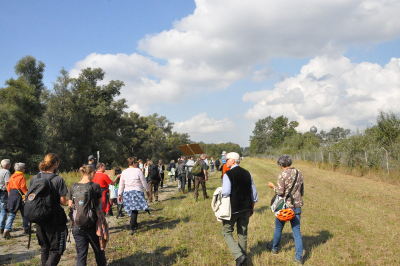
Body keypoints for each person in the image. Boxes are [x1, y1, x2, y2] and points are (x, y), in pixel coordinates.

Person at [221, 152, 258, 266]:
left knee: (226, 232)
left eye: (227, 159)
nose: (226, 161)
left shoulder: (228, 174)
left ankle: (238, 255)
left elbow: (226, 192)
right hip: (246, 208)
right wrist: (251, 207)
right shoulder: (248, 173)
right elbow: (254, 193)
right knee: (242, 233)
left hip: (233, 208)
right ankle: (243, 260)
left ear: (232, 161)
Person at [268, 155, 304, 265]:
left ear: (281, 164)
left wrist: (272, 186)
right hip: (297, 205)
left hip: (284, 207)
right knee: (296, 232)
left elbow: (280, 192)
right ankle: (298, 258)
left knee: (278, 228)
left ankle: (274, 249)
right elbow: (301, 189)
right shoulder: (299, 172)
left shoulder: (282, 174)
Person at [33, 153, 68, 266]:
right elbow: (63, 201)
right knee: (56, 249)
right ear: (56, 164)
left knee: (44, 247)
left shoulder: (35, 178)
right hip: (54, 219)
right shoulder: (58, 179)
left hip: (38, 218)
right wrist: (70, 202)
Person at [68, 165, 107, 266]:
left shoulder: (73, 186)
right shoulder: (95, 186)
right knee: (99, 251)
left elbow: (70, 205)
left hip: (77, 226)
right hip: (93, 225)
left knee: (81, 254)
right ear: (92, 173)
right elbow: (99, 205)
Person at [118, 157, 150, 234]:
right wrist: (147, 190)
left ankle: (134, 224)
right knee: (135, 209)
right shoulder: (138, 171)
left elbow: (121, 184)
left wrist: (119, 194)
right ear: (133, 163)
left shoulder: (124, 172)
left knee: (132, 209)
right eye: (136, 163)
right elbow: (144, 182)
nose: (137, 164)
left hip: (127, 192)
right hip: (137, 192)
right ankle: (132, 226)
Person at [3, 162, 29, 238]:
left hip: (12, 195)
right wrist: (27, 195)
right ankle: (26, 228)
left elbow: (8, 187)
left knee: (11, 213)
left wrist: (9, 195)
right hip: (20, 195)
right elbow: (23, 187)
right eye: (24, 168)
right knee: (25, 213)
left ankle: (6, 229)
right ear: (22, 169)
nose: (24, 169)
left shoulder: (12, 176)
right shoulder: (21, 176)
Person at [0, 159, 11, 235]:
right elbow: (7, 183)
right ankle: (1, 227)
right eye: (10, 164)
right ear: (7, 165)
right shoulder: (6, 172)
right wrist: (10, 193)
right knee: (4, 209)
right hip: (3, 192)